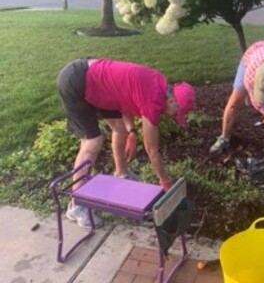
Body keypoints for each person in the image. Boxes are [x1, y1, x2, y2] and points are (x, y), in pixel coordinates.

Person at [57, 58, 196, 229]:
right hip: (77, 81)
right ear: (173, 101)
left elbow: (125, 96)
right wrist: (165, 181)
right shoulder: (153, 101)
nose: (174, 117)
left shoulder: (159, 84)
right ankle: (77, 205)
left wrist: (132, 132)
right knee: (92, 142)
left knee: (120, 130)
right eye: (177, 113)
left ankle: (121, 173)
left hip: (99, 84)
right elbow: (152, 150)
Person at [209, 41, 264, 157]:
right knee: (234, 102)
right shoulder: (250, 76)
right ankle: (224, 138)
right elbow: (262, 105)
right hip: (253, 55)